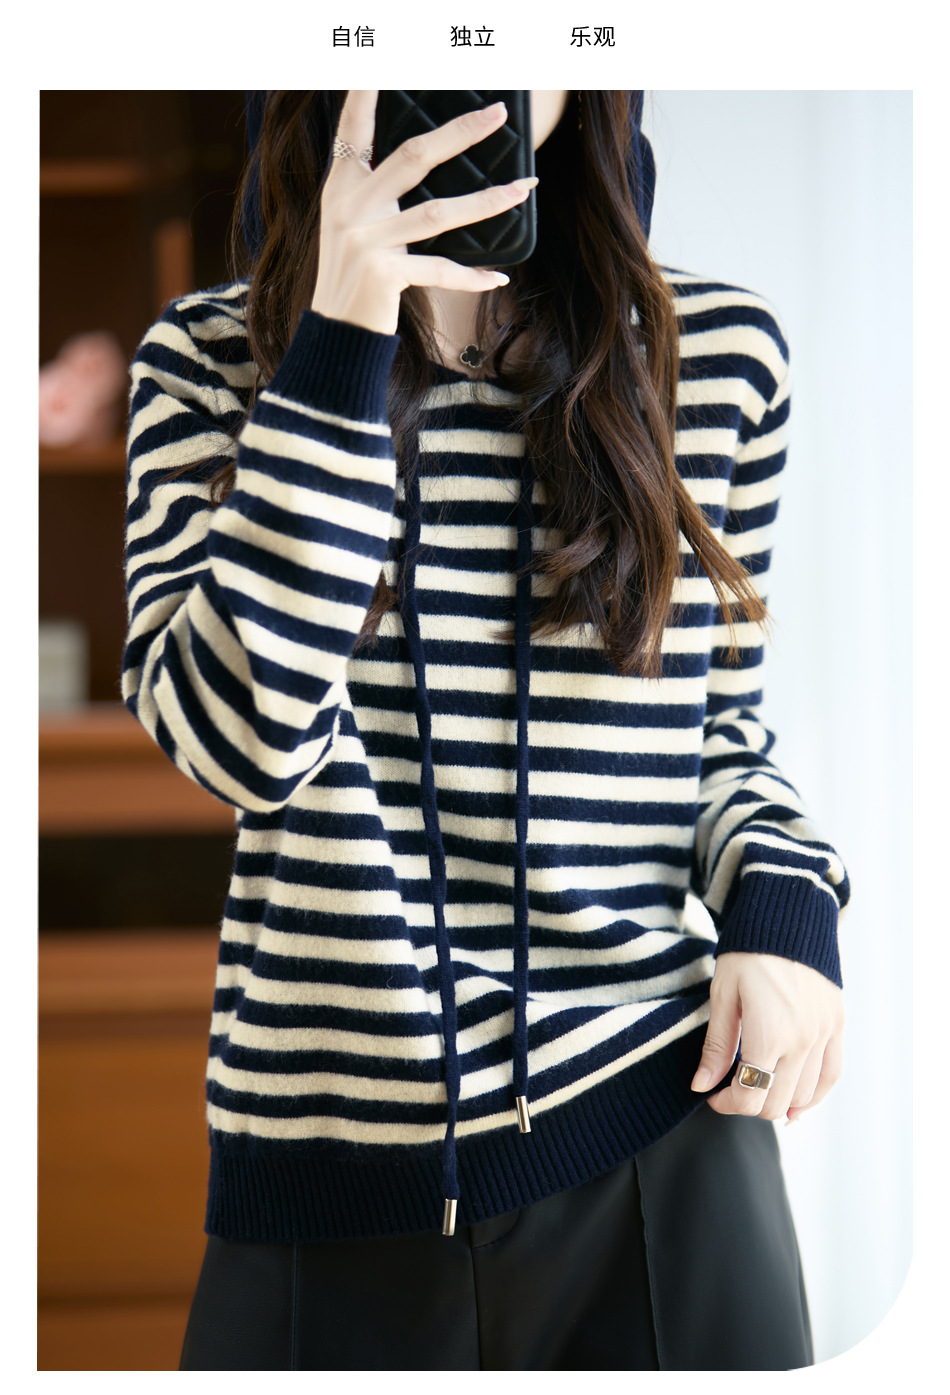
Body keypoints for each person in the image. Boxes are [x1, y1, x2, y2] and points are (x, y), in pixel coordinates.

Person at [121, 90, 850, 1371]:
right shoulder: (208, 359)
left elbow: (712, 730)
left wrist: (784, 906)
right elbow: (235, 743)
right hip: (324, 1172)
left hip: (653, 1133)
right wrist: (338, 341)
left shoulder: (714, 356)